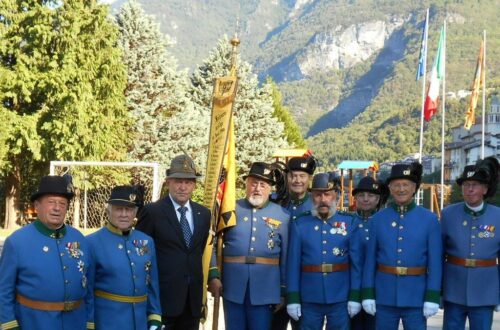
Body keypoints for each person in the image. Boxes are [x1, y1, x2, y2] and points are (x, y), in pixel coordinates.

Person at [0, 175, 93, 330]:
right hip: (34, 322)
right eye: (51, 202)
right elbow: (4, 290)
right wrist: (9, 325)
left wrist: (89, 321)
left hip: (75, 322)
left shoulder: (80, 239)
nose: (57, 208)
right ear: (37, 206)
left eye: (62, 203)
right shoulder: (17, 242)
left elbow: (88, 286)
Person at [208, 162, 289, 330]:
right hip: (232, 286)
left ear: (270, 188)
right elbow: (212, 243)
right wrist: (214, 274)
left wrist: (283, 290)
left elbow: (287, 257)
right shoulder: (230, 210)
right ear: (246, 184)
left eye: (263, 184)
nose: (257, 188)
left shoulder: (282, 215)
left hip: (265, 288)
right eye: (254, 183)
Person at [362, 162, 442, 330]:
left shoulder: (429, 219)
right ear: (390, 188)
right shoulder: (378, 219)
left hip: (416, 296)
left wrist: (432, 296)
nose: (401, 189)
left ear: (414, 188)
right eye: (396, 185)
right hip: (384, 294)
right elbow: (370, 261)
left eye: (406, 184)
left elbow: (435, 262)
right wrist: (368, 293)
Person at [136, 155, 211, 330]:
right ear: (168, 182)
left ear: (194, 185)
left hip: (191, 303)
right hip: (162, 301)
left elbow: (197, 251)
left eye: (188, 182)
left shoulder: (204, 214)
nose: (183, 187)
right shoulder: (152, 212)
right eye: (178, 181)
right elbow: (140, 255)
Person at [286, 172, 362, 330]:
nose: (323, 200)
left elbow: (356, 264)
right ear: (312, 197)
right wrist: (293, 297)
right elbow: (293, 264)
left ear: (337, 195)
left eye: (327, 194)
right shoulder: (300, 223)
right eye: (317, 195)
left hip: (340, 296)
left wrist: (355, 295)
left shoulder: (350, 222)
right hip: (309, 297)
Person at [86, 185, 162, 330]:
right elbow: (87, 290)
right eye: (119, 209)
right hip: (108, 322)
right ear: (108, 210)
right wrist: (89, 323)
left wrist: (155, 316)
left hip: (140, 322)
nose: (124, 214)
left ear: (136, 212)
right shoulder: (92, 243)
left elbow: (152, 283)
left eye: (129, 209)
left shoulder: (146, 241)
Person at [441, 156, 500, 330]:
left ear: (485, 188)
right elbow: (438, 255)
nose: (470, 189)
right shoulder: (448, 214)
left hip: (485, 289)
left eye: (475, 185)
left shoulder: (498, 216)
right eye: (466, 185)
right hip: (454, 288)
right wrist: (438, 290)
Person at [272, 155, 316, 330]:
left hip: (305, 285)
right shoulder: (275, 202)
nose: (297, 180)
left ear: (309, 179)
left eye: (302, 176)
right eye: (293, 176)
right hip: (276, 283)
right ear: (287, 177)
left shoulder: (317, 205)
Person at [350, 176, 388, 330]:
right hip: (351, 290)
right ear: (356, 198)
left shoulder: (385, 223)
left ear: (378, 199)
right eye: (361, 195)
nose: (366, 199)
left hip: (378, 291)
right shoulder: (348, 222)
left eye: (371, 195)